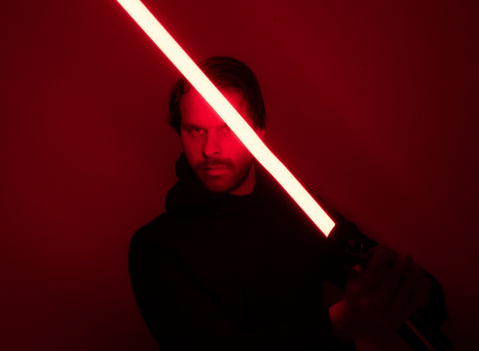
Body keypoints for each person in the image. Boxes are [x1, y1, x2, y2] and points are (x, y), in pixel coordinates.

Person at [129, 56, 448, 350]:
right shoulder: (155, 247)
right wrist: (340, 322)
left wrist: (417, 288)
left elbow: (413, 293)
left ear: (258, 131)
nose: (210, 149)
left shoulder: (298, 209)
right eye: (196, 130)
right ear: (179, 133)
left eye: (228, 128)